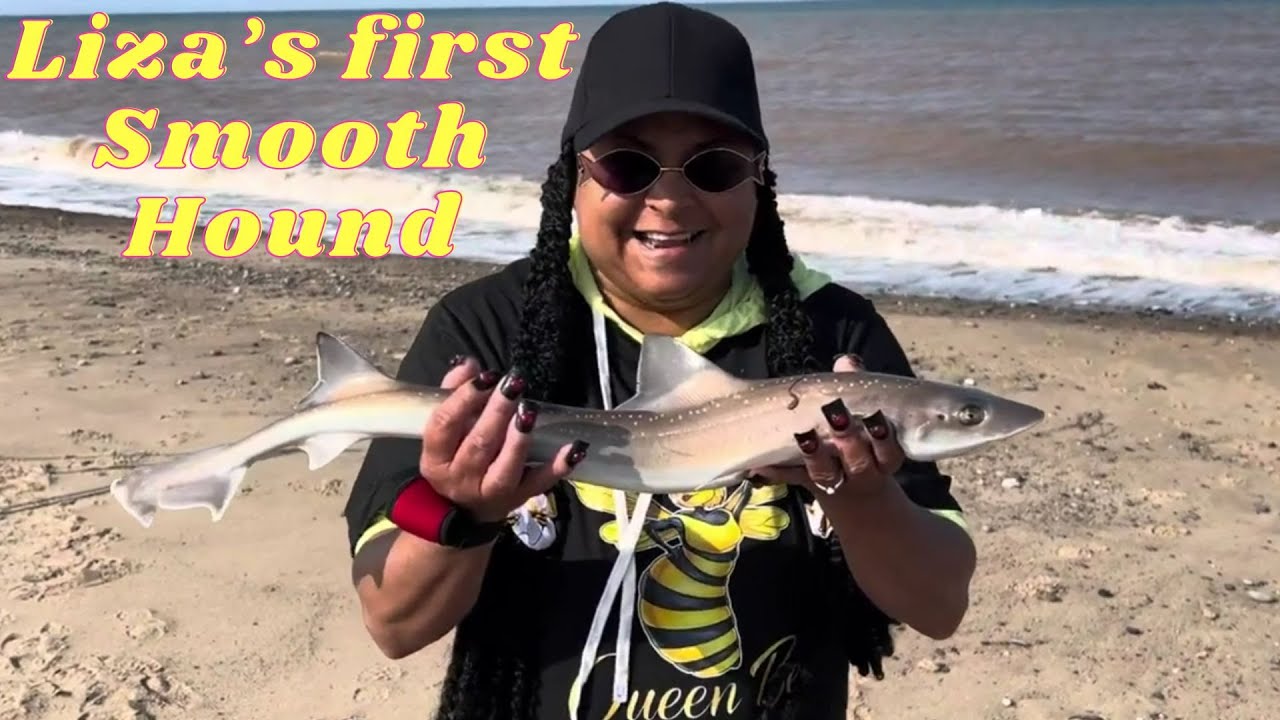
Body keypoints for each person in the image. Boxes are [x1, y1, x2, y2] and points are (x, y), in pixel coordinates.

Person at [342, 3, 977, 719]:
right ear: (573, 177)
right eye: (627, 164)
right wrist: (462, 512)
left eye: (715, 165)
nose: (669, 200)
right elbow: (393, 623)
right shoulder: (487, 329)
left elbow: (938, 606)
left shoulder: (834, 335)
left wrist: (863, 501)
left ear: (758, 179)